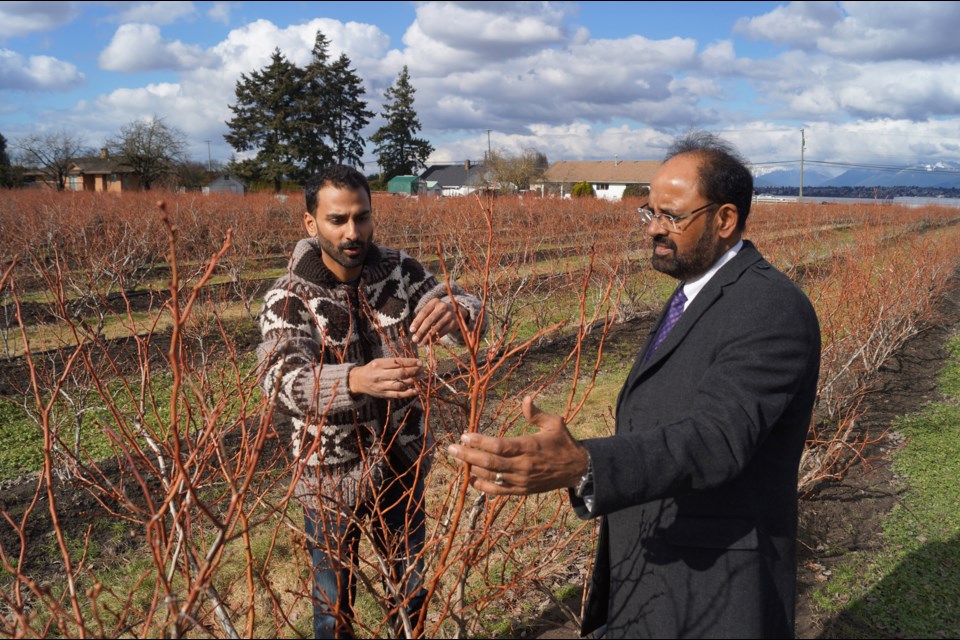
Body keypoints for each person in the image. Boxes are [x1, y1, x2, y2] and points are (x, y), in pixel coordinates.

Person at [448, 132, 821, 639]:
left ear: (725, 220)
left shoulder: (769, 308)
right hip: (654, 568)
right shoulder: (695, 293)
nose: (653, 229)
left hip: (715, 586)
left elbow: (716, 439)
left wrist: (585, 464)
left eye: (671, 216)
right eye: (649, 213)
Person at [257, 164, 486, 638]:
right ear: (310, 223)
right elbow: (278, 378)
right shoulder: (288, 296)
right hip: (328, 481)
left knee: (413, 598)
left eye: (361, 217)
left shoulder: (400, 271)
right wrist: (355, 379)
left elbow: (472, 312)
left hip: (402, 464)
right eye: (337, 220)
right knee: (332, 612)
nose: (352, 232)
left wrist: (458, 311)